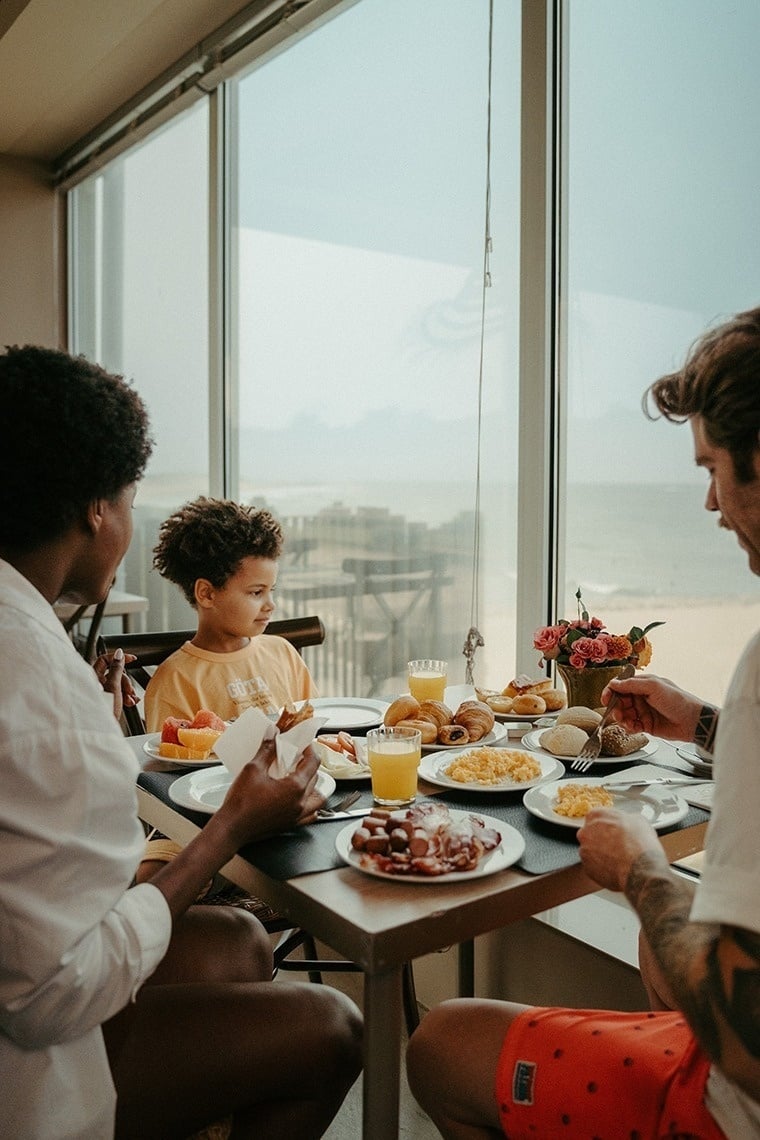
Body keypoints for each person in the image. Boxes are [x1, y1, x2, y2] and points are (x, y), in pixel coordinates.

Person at [406, 305, 760, 1139]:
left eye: (715, 468)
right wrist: (705, 725)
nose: (710, 502)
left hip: (737, 1099)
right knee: (658, 942)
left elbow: (748, 1040)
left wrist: (643, 872)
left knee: (440, 1041)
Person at [0, 345, 362, 1140]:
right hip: (30, 1076)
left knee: (237, 937)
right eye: (129, 500)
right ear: (96, 507)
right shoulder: (36, 680)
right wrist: (229, 829)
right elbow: (50, 998)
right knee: (334, 1027)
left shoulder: (28, 641)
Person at [143, 497, 316, 732]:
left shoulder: (283, 653)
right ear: (206, 594)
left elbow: (313, 732)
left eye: (270, 590)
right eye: (256, 592)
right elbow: (172, 762)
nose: (270, 605)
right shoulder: (175, 681)